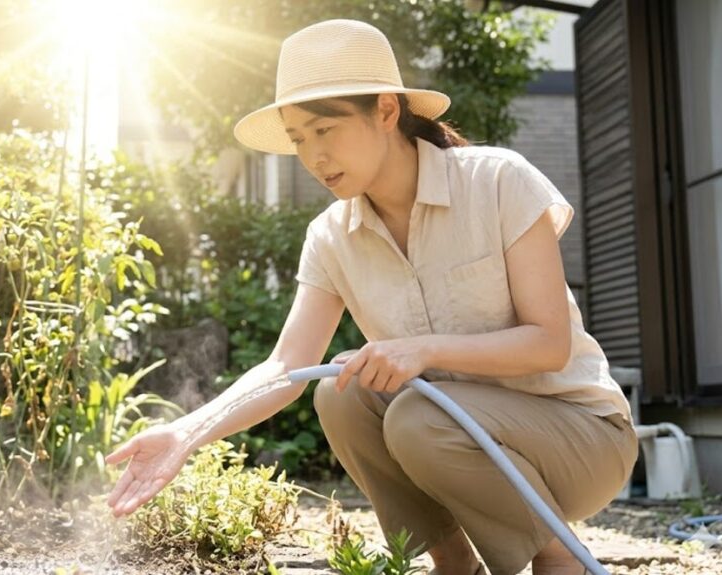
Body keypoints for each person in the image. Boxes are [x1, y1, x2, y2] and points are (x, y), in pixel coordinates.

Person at [104, 19, 637, 575]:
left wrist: (425, 350)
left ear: (386, 111)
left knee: (414, 417)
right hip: (457, 445)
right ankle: (452, 564)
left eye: (325, 130)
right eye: (298, 139)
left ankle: (559, 562)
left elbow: (550, 344)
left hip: (578, 439)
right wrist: (186, 433)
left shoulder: (498, 182)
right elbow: (286, 365)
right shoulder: (331, 236)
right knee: (339, 390)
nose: (313, 156)